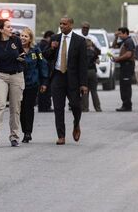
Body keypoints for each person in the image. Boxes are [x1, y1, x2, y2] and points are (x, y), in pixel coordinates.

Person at [43, 16, 88, 145]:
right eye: (60, 24)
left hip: (72, 78)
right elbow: (45, 56)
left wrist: (84, 84)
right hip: (57, 76)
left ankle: (76, 124)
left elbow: (83, 64)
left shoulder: (79, 41)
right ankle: (61, 135)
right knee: (58, 107)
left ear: (71, 25)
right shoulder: (55, 38)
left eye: (65, 24)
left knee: (75, 105)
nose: (62, 26)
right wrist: (52, 48)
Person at [0, 19, 25, 147]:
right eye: (8, 27)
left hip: (16, 75)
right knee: (0, 105)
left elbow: (22, 55)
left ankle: (14, 136)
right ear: (1, 30)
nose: (11, 28)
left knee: (15, 107)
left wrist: (22, 58)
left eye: (11, 26)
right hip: (1, 76)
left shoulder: (16, 40)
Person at [19, 27, 48, 143]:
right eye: (22, 36)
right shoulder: (16, 49)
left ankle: (28, 132)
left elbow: (42, 64)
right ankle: (23, 129)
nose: (23, 38)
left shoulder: (36, 51)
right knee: (20, 108)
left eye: (26, 36)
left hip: (32, 83)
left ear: (30, 39)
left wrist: (44, 82)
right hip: (19, 83)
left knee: (29, 107)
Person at [112, 27, 135, 111]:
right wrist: (116, 37)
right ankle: (125, 104)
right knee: (123, 86)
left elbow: (129, 54)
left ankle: (127, 105)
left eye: (120, 34)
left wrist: (118, 59)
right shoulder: (124, 42)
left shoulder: (129, 41)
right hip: (124, 65)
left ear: (125, 33)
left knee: (126, 86)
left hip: (127, 65)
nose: (120, 35)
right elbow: (114, 46)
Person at [82, 39, 102, 112]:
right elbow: (98, 62)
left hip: (84, 72)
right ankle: (98, 108)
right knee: (94, 91)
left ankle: (85, 108)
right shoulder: (94, 52)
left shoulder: (81, 53)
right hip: (92, 72)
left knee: (84, 90)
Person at [37, 30, 55, 112]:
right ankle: (45, 106)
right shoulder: (44, 45)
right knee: (46, 89)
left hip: (43, 69)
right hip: (45, 69)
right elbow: (43, 55)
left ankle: (43, 106)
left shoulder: (41, 44)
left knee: (44, 89)